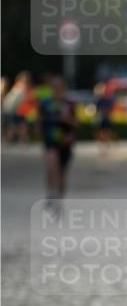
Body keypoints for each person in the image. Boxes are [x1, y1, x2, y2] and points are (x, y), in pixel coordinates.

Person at [39, 76, 77, 209]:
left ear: (64, 88)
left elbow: (77, 124)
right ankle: (50, 193)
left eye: (59, 87)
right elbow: (40, 120)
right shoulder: (45, 103)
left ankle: (60, 198)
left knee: (62, 172)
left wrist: (67, 119)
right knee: (51, 165)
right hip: (50, 141)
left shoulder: (70, 104)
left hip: (66, 142)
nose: (57, 90)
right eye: (54, 87)